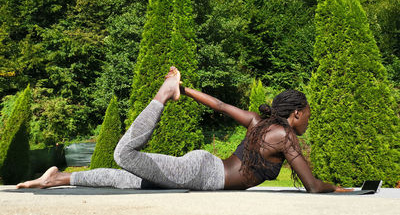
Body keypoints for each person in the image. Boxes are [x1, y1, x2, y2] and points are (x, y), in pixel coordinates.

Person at [17, 67, 351, 192]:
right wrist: (337, 189)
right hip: (203, 174)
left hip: (203, 167)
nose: (308, 119)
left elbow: (219, 105)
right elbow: (312, 185)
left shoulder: (259, 122)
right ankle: (162, 96)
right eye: (308, 113)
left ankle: (58, 177)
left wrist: (188, 90)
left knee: (130, 180)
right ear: (296, 113)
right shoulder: (285, 135)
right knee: (123, 155)